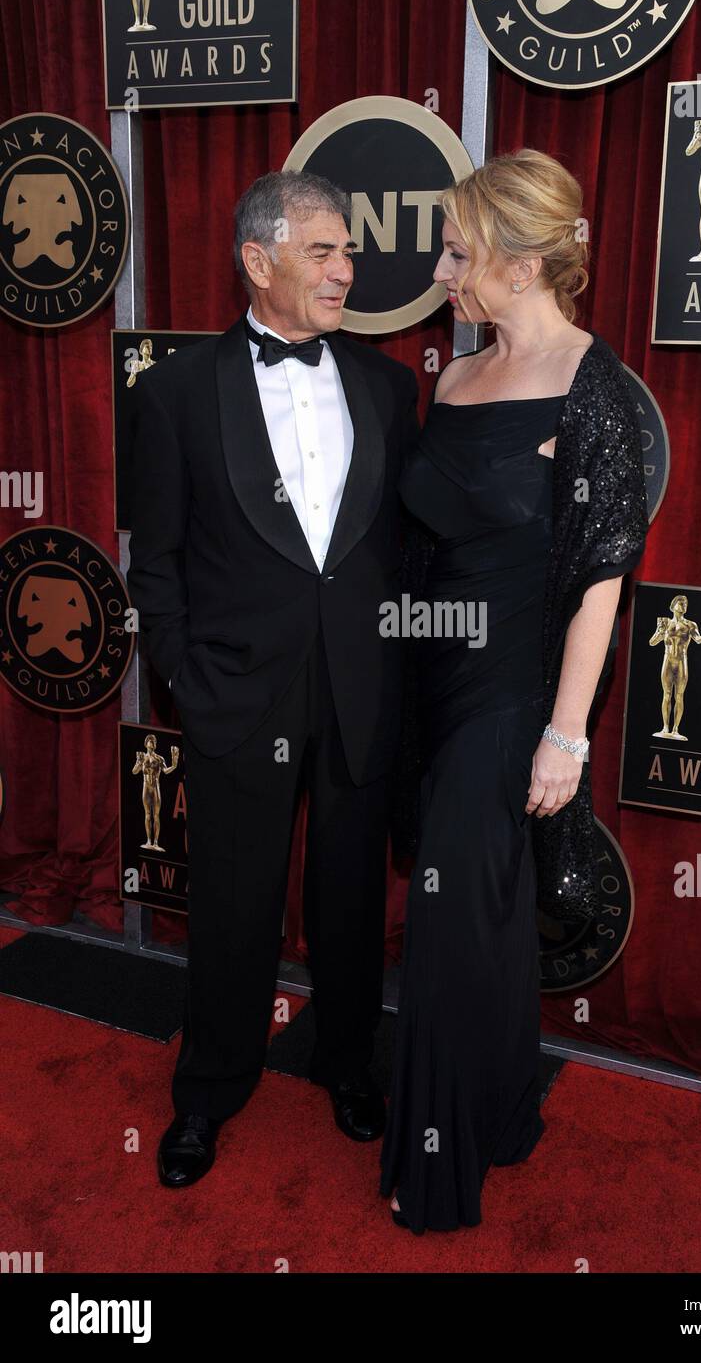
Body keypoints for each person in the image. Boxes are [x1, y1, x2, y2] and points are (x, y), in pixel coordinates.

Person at [128, 169, 419, 1187]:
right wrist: (182, 675)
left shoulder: (389, 386)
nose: (346, 271)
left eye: (348, 252)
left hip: (359, 687)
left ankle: (347, 1063)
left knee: (350, 897)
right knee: (232, 905)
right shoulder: (173, 392)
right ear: (258, 261)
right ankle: (208, 1089)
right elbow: (156, 560)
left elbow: (397, 551)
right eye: (322, 252)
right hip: (236, 695)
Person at [380, 148, 649, 1233]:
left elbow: (599, 582)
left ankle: (435, 1169)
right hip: (430, 677)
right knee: (484, 920)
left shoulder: (594, 390)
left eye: (458, 253)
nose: (441, 272)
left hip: (508, 699)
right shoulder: (452, 379)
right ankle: (495, 1115)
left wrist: (564, 736)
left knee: (449, 923)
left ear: (523, 265)